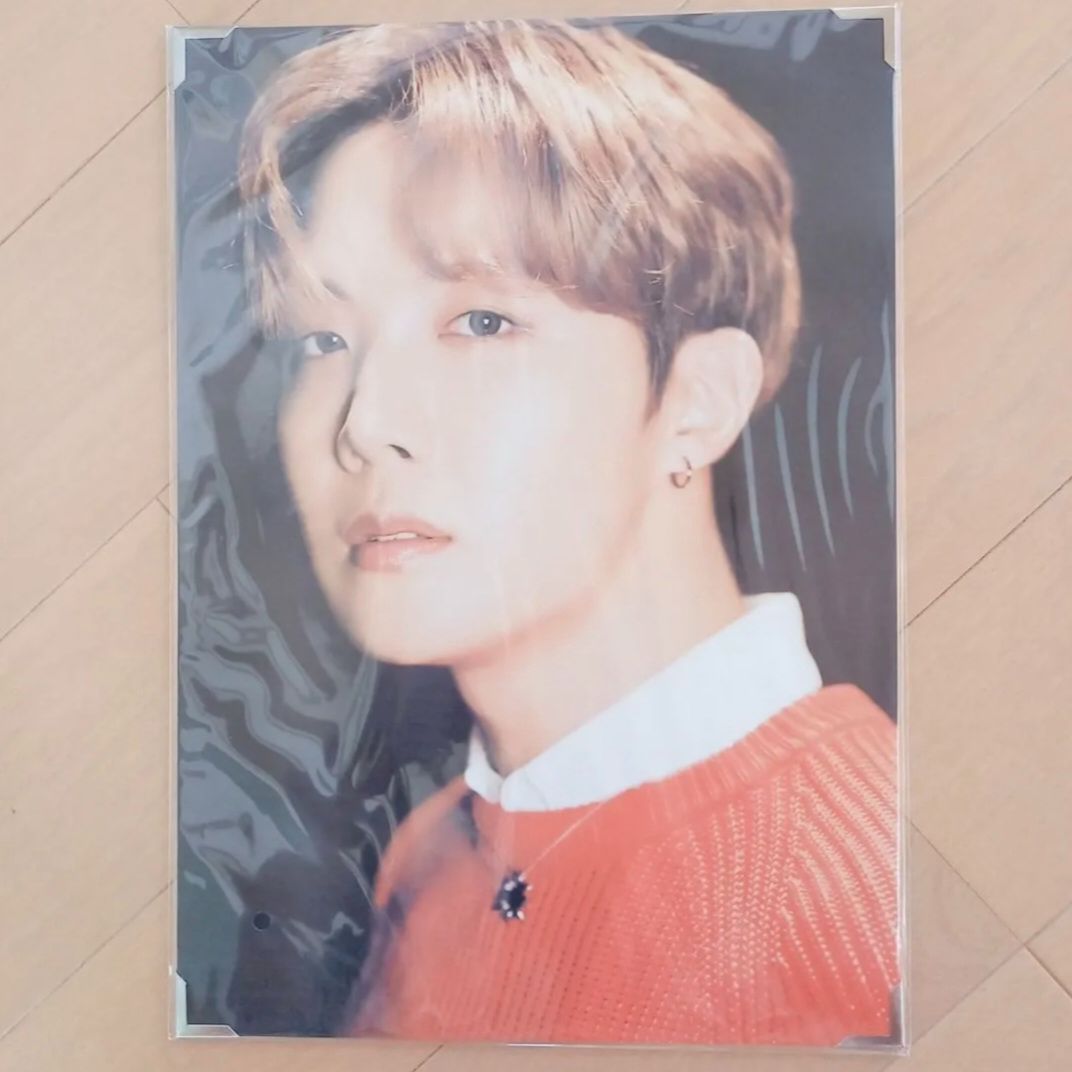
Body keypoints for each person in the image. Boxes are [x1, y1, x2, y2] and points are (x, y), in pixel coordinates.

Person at [236, 18, 901, 1047]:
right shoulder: (427, 851)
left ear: (698, 402)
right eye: (323, 338)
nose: (364, 424)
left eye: (481, 322)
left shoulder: (863, 884)